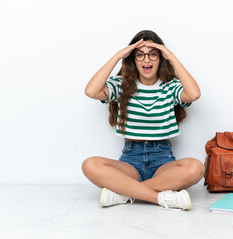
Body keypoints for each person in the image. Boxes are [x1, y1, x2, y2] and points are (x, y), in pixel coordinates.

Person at [82, 30, 204, 210]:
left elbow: (194, 94)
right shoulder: (121, 85)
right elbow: (91, 91)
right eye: (140, 55)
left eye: (153, 54)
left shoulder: (171, 87)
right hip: (130, 160)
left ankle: (123, 193)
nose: (147, 60)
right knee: (90, 165)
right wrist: (118, 56)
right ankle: (160, 198)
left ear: (160, 58)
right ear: (133, 59)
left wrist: (172, 57)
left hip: (162, 161)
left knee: (197, 168)